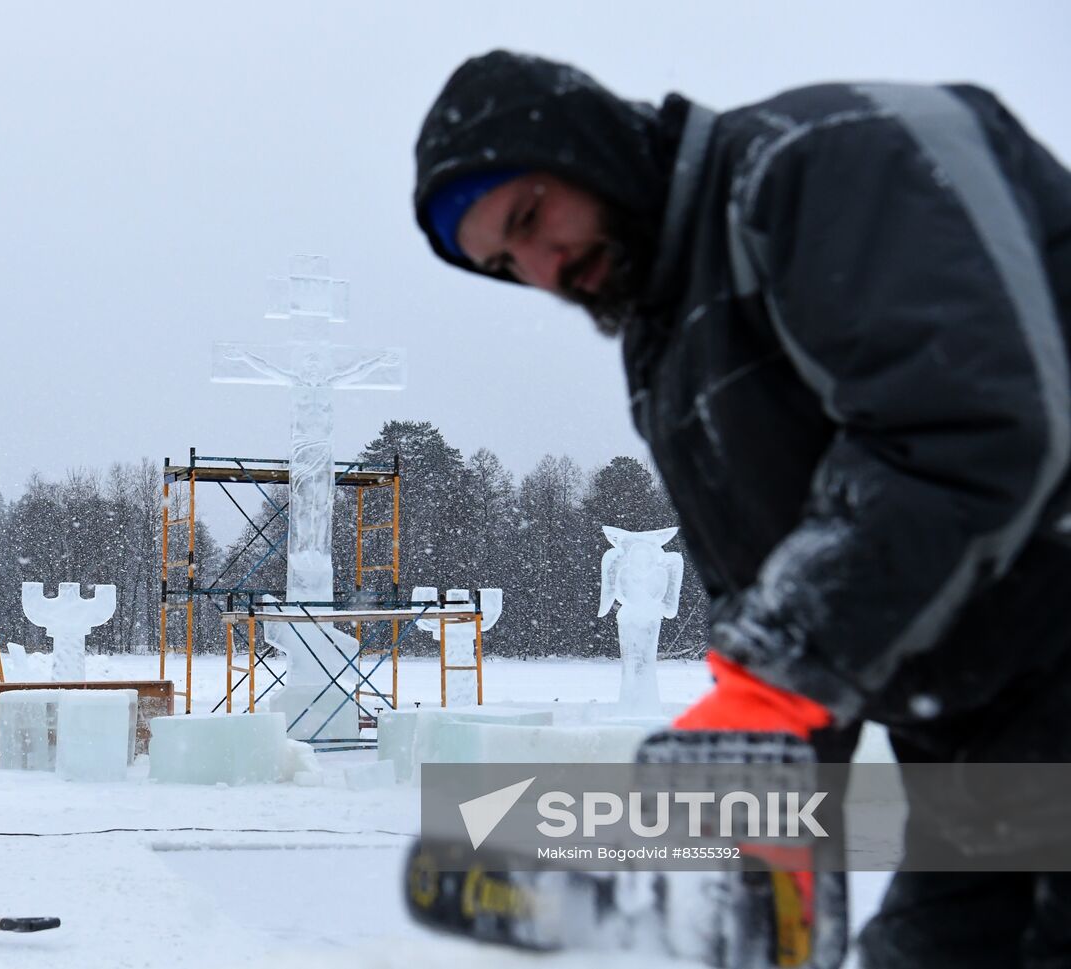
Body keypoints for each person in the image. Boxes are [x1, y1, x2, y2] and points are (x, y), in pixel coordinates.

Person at [414, 50, 1071, 967]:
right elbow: (775, 582)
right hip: (986, 736)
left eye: (531, 217)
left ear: (589, 147)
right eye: (504, 262)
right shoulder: (670, 340)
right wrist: (768, 809)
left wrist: (769, 684)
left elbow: (972, 429)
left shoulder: (819, 161)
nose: (543, 268)